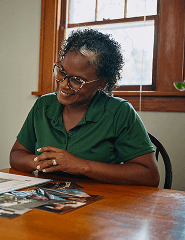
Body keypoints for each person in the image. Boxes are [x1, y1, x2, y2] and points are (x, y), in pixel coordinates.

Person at [10, 28, 160, 187]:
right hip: (48, 200)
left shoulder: (119, 112)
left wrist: (81, 166)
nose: (64, 84)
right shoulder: (43, 106)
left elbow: (149, 176)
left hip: (103, 203)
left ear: (101, 83)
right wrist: (39, 162)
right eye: (61, 72)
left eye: (77, 80)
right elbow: (16, 155)